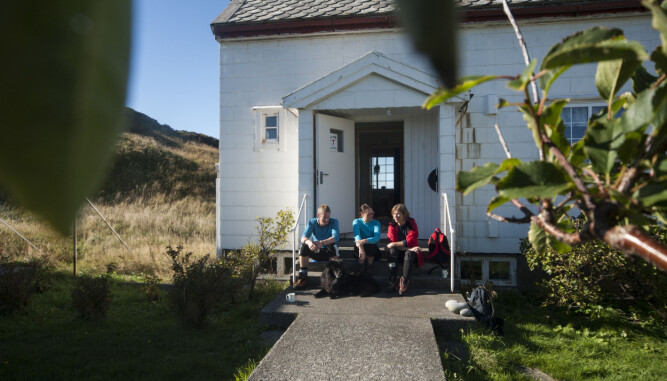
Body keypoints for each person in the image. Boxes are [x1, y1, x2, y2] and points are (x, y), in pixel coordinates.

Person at [294, 204, 339, 289]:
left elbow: (336, 237)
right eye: (324, 217)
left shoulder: (334, 221)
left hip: (329, 252)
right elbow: (303, 237)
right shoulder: (312, 222)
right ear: (318, 215)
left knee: (333, 245)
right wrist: (309, 243)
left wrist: (322, 243)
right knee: (304, 246)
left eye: (328, 217)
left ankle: (334, 278)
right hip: (317, 250)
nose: (327, 220)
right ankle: (303, 276)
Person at [386, 203, 420, 296]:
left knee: (409, 253)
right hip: (398, 253)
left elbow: (412, 239)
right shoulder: (391, 225)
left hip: (410, 255)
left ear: (404, 214)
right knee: (392, 251)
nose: (395, 216)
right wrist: (408, 247)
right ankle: (392, 279)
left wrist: (394, 244)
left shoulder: (411, 223)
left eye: (398, 213)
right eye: (394, 214)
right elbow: (391, 242)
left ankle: (404, 281)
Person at [352, 204, 381, 275]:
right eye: (369, 214)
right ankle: (361, 267)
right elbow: (357, 235)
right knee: (357, 246)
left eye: (372, 213)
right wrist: (361, 247)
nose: (371, 215)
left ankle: (370, 267)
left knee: (371, 246)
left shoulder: (376, 223)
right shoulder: (357, 222)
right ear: (362, 214)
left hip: (372, 247)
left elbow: (377, 238)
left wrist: (365, 240)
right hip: (360, 246)